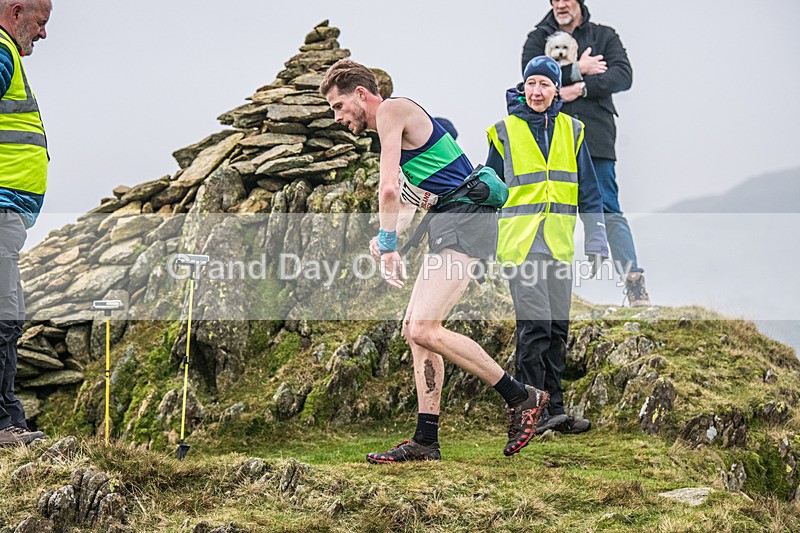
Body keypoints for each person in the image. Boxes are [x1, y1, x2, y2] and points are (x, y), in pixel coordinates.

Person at [321, 59, 549, 462]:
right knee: (415, 329)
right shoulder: (397, 132)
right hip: (452, 219)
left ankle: (521, 396)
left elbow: (388, 189)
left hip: (465, 219)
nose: (338, 118)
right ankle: (426, 440)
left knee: (426, 327)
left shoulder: (392, 110)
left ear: (361, 94)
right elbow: (408, 201)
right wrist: (383, 238)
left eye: (338, 106)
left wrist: (390, 242)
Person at [486, 55, 608, 435]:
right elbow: (489, 191)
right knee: (535, 326)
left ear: (557, 89)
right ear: (523, 87)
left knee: (557, 328)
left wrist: (597, 238)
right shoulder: (502, 131)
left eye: (544, 84)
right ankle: (529, 414)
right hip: (521, 245)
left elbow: (589, 191)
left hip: (557, 244)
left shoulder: (573, 130)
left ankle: (554, 410)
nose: (536, 91)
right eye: (531, 84)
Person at [521, 0, 651, 307]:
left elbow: (622, 75)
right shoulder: (537, 39)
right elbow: (528, 79)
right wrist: (579, 69)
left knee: (607, 209)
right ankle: (543, 287)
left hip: (596, 136)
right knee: (547, 209)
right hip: (548, 136)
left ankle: (634, 283)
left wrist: (578, 88)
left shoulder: (604, 36)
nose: (561, 4)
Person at [0, 0, 51, 447]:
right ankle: (3, 426)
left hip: (8, 216)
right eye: (40, 23)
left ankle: (8, 421)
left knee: (9, 318)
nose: (43, 34)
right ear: (16, 13)